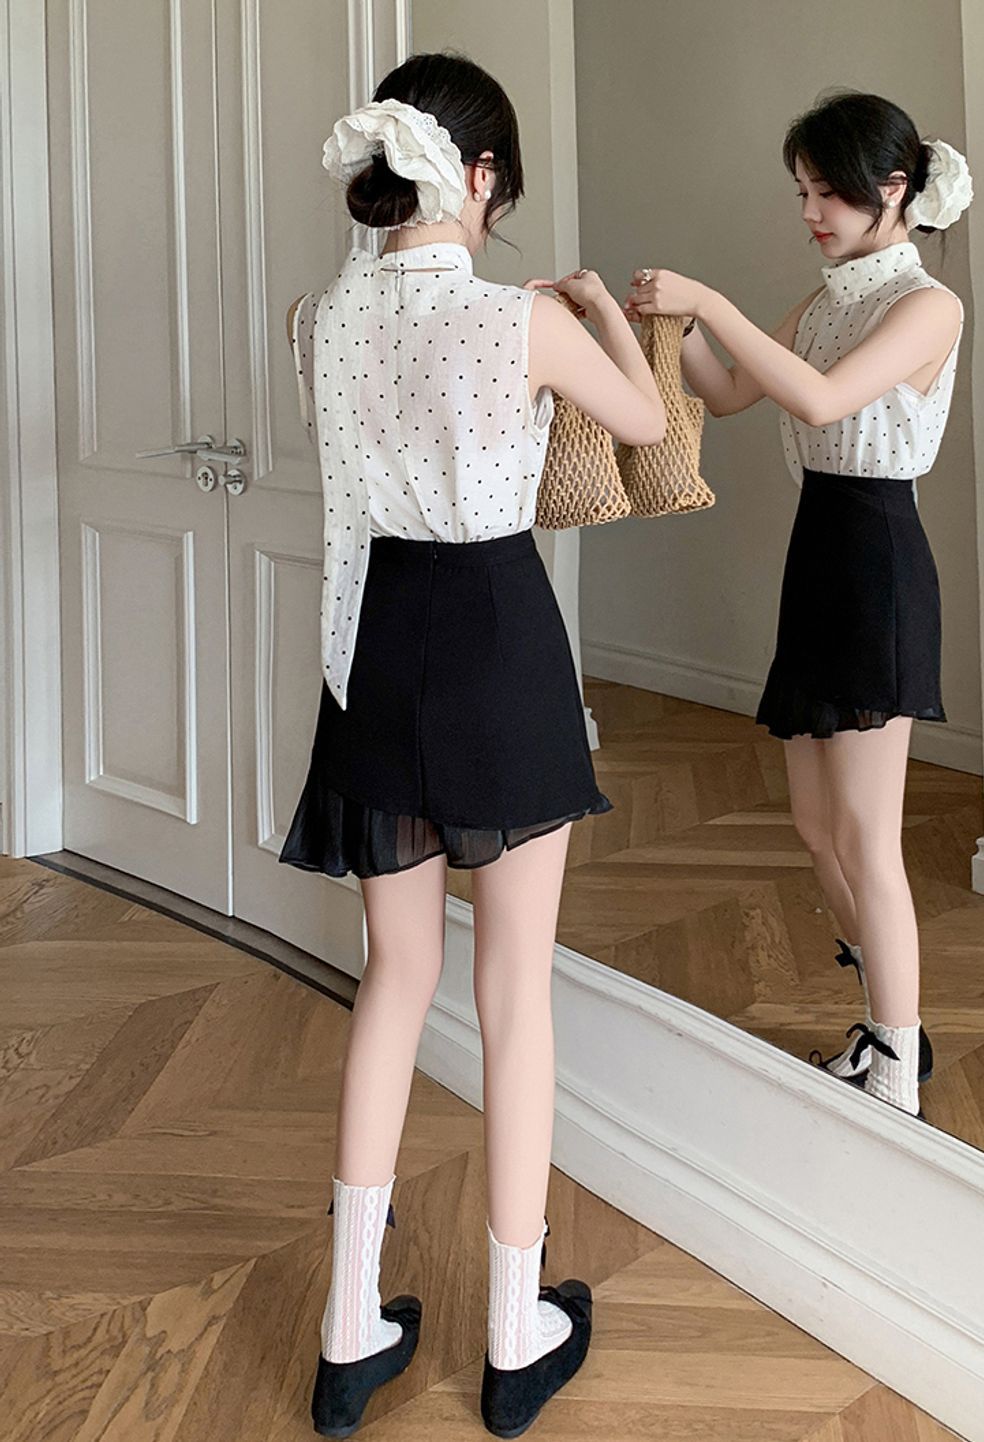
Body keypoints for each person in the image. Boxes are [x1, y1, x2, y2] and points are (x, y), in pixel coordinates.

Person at [279, 52, 665, 1439]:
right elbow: (648, 428)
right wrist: (596, 314)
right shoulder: (520, 319)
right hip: (497, 637)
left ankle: (349, 1333)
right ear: (482, 174)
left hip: (372, 638)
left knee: (394, 977)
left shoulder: (315, 317)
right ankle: (513, 1336)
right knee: (515, 993)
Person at [624, 90, 971, 1122]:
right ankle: (884, 1020)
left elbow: (819, 400)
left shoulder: (927, 306)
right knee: (819, 830)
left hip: (877, 565)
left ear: (892, 190)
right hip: (818, 558)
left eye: (828, 193)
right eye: (803, 193)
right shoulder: (824, 303)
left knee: (867, 835)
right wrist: (660, 321)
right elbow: (730, 391)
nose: (811, 213)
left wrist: (711, 298)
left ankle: (898, 1068)